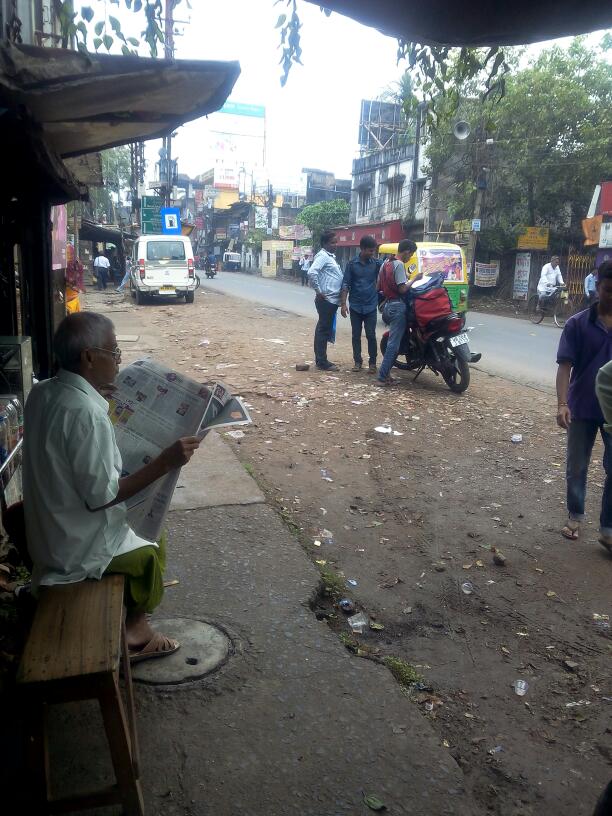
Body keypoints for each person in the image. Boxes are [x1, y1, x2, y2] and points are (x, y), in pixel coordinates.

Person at [22, 312, 202, 661]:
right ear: (90, 357)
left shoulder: (43, 391)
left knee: (147, 520)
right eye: (114, 352)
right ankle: (137, 631)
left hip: (48, 532)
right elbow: (102, 498)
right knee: (151, 545)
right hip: (72, 550)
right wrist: (165, 462)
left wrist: (97, 391)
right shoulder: (86, 413)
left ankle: (135, 622)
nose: (119, 360)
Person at [556, 260, 612, 551]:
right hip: (581, 405)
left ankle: (608, 528)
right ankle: (575, 515)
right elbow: (565, 367)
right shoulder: (577, 324)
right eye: (608, 290)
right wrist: (562, 404)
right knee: (577, 466)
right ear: (598, 286)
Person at [376, 239, 421, 387]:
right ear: (407, 251)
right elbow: (402, 289)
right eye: (411, 254)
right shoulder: (399, 264)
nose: (410, 257)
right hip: (397, 307)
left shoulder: (385, 264)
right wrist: (414, 279)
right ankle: (382, 377)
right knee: (393, 345)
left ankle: (386, 374)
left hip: (387, 306)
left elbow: (378, 286)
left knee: (394, 341)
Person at [340, 235, 382, 373]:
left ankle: (372, 363)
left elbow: (388, 269)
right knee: (355, 335)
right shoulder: (352, 265)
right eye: (370, 251)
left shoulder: (377, 264)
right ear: (362, 249)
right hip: (356, 306)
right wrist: (343, 304)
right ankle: (357, 362)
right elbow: (345, 284)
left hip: (370, 306)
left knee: (371, 335)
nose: (372, 253)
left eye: (373, 251)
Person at [308, 230, 344, 371]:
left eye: (336, 242)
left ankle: (321, 359)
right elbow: (312, 272)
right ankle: (322, 362)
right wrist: (318, 290)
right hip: (327, 299)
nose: (335, 245)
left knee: (323, 329)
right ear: (324, 243)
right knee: (323, 330)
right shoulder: (323, 256)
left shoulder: (330, 257)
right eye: (332, 242)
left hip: (331, 299)